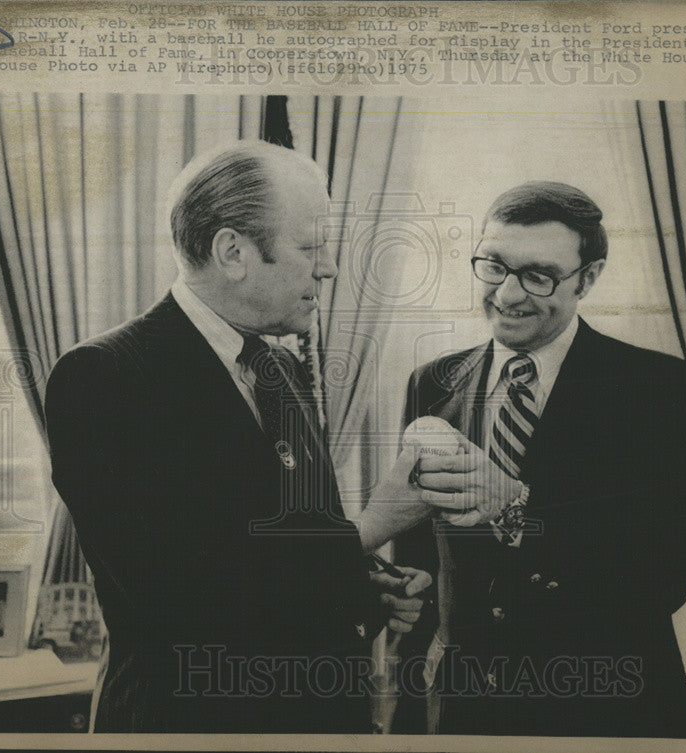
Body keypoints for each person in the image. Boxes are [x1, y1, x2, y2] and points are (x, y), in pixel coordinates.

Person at [44, 141, 464, 733]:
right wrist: (371, 526)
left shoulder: (281, 371)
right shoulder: (104, 376)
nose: (330, 269)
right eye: (312, 248)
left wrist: (369, 586)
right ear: (233, 251)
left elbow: (285, 549)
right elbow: (184, 597)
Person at [397, 181, 686, 737]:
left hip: (602, 708)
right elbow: (421, 564)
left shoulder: (654, 387)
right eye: (493, 266)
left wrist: (518, 507)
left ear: (587, 278)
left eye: (538, 275)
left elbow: (666, 576)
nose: (508, 294)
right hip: (460, 712)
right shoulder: (431, 383)